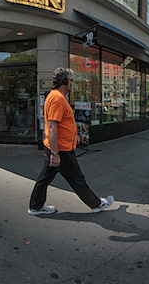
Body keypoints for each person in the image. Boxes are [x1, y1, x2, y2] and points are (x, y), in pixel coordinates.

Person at [28, 67, 114, 215]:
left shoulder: (55, 96)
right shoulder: (58, 99)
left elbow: (60, 125)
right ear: (65, 81)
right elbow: (53, 127)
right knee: (77, 179)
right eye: (71, 81)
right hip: (61, 149)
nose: (72, 84)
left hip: (55, 146)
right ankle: (96, 204)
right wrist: (55, 153)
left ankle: (35, 206)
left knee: (44, 178)